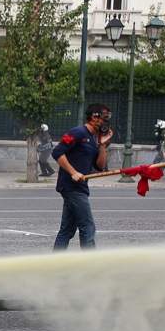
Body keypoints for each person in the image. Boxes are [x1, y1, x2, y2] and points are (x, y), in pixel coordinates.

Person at [51, 104, 114, 250]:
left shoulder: (94, 139)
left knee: (67, 230)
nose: (106, 122)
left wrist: (103, 146)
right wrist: (73, 172)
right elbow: (57, 152)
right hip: (71, 187)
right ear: (94, 117)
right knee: (87, 227)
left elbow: (99, 166)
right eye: (104, 118)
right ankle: (90, 264)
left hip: (80, 187)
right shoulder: (78, 132)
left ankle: (54, 263)